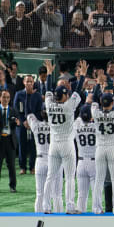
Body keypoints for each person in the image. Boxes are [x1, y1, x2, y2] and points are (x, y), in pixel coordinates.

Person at [43, 86, 81, 214]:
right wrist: (81, 76)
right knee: (70, 177)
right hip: (67, 145)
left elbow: (47, 92)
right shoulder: (68, 106)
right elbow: (78, 91)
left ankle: (46, 206)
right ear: (64, 96)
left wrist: (49, 75)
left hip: (53, 145)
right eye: (67, 94)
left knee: (50, 176)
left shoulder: (49, 105)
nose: (68, 96)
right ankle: (70, 206)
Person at [90, 93, 114, 214]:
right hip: (113, 148)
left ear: (102, 103)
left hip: (100, 148)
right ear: (112, 103)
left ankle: (96, 208)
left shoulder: (95, 113)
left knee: (99, 180)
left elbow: (94, 104)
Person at [28, 109, 62, 213]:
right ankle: (59, 220)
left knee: (40, 194)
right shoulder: (57, 126)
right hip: (55, 161)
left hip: (40, 160)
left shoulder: (36, 125)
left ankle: (37, 218)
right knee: (57, 194)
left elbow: (30, 115)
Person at [13, 75, 44, 175]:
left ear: (33, 83)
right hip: (22, 125)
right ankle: (22, 167)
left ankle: (32, 167)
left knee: (33, 146)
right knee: (22, 145)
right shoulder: (19, 94)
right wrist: (23, 121)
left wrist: (32, 122)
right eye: (27, 81)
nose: (29, 83)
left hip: (34, 125)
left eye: (31, 81)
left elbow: (39, 111)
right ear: (24, 82)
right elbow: (16, 109)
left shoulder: (38, 95)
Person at [0, 90, 20, 193]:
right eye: (4, 97)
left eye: (8, 97)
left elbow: (17, 122)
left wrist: (17, 123)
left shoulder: (13, 110)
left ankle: (12, 186)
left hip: (10, 139)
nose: (6, 99)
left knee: (12, 165)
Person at [73, 105, 97, 213]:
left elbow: (78, 120)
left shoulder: (77, 126)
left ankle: (80, 220)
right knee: (96, 194)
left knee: (81, 195)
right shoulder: (96, 127)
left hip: (81, 163)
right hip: (94, 163)